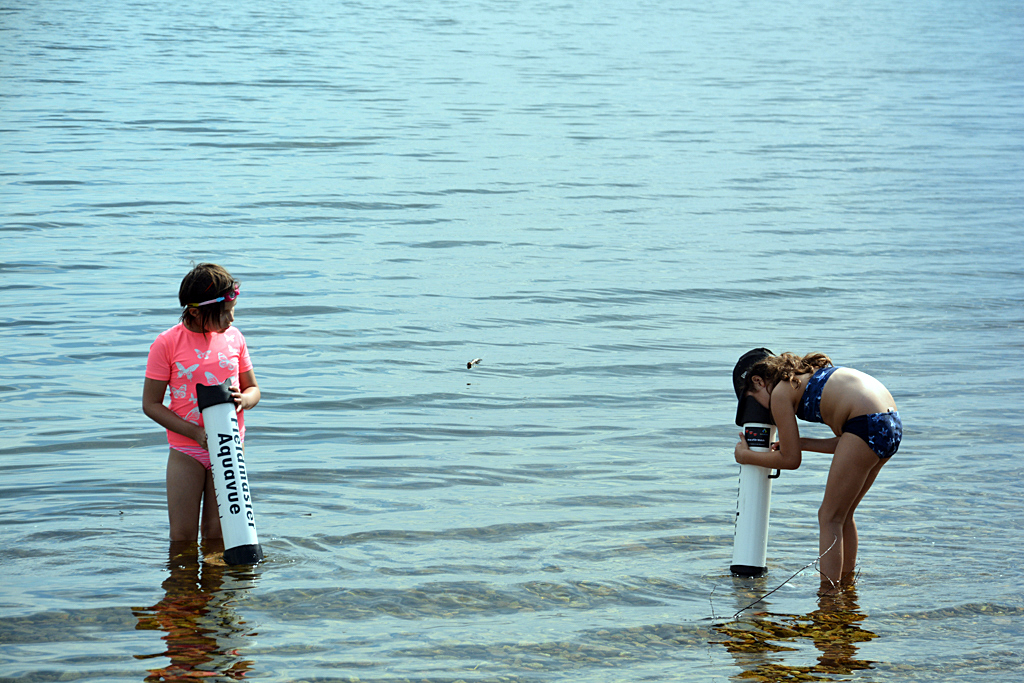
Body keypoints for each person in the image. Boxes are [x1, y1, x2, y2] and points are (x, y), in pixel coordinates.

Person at [732, 349, 901, 589]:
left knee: (828, 517)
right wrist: (803, 443)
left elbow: (791, 460)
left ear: (759, 381)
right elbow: (851, 442)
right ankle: (846, 585)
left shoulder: (779, 393)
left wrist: (746, 456)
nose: (761, 410)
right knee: (843, 515)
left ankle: (829, 596)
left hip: (865, 422)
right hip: (890, 421)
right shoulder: (806, 375)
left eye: (751, 398)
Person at [143, 264, 261, 542]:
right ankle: (183, 585)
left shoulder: (235, 338)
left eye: (233, 311)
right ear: (195, 312)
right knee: (182, 536)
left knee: (217, 534)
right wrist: (194, 433)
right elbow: (151, 404)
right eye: (223, 314)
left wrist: (244, 399)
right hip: (187, 450)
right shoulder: (166, 344)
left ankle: (214, 584)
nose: (231, 320)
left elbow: (254, 388)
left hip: (230, 447)